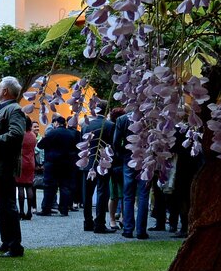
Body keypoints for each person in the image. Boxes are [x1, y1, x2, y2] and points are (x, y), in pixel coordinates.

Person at [0, 76, 29, 258]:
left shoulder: (14, 110)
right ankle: (7, 242)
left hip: (5, 164)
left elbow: (16, 135)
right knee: (2, 206)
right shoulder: (6, 109)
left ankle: (15, 246)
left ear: (5, 91)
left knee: (8, 205)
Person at [112, 110, 150, 240]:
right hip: (146, 157)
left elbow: (116, 142)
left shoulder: (122, 119)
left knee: (128, 195)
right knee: (143, 195)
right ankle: (141, 231)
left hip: (128, 158)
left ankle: (128, 229)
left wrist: (123, 154)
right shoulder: (149, 116)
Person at [81, 100, 116, 233]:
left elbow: (82, 144)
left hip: (87, 161)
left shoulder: (85, 125)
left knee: (87, 194)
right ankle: (99, 223)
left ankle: (87, 222)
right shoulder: (110, 125)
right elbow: (112, 146)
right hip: (103, 162)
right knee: (102, 192)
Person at [38, 114, 78, 216]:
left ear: (56, 123)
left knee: (49, 187)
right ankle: (64, 209)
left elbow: (40, 145)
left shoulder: (52, 133)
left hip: (52, 163)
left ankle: (46, 208)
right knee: (65, 186)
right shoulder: (71, 134)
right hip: (67, 164)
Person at [17, 121, 38, 221]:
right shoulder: (33, 135)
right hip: (30, 161)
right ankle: (29, 211)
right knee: (29, 186)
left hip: (21, 161)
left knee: (20, 186)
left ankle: (21, 211)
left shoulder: (21, 135)